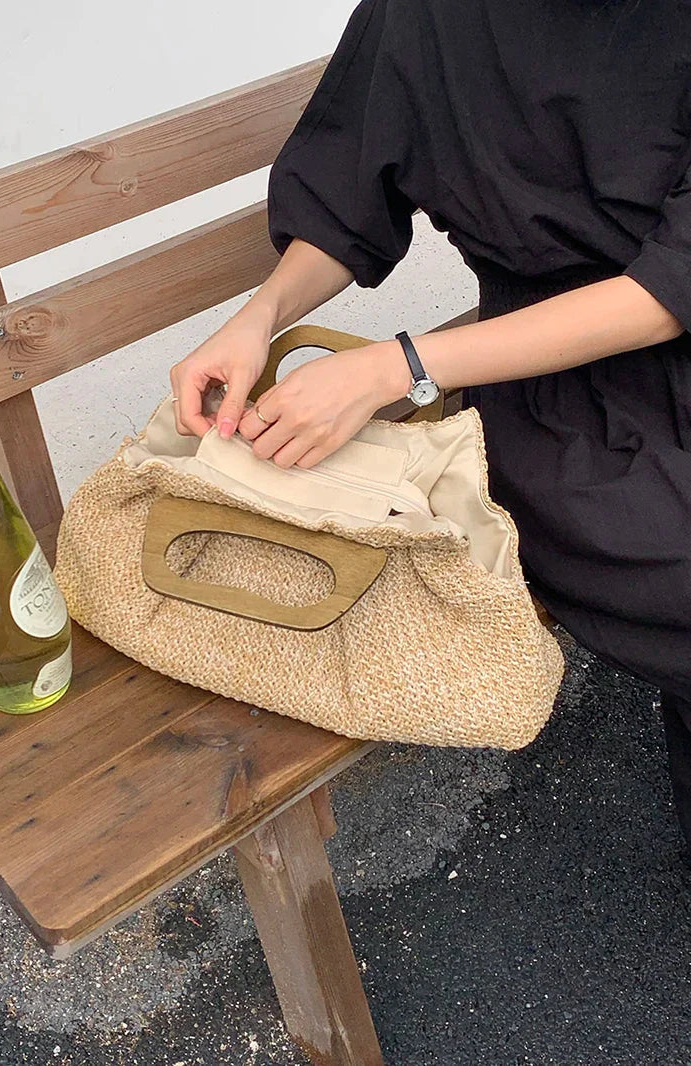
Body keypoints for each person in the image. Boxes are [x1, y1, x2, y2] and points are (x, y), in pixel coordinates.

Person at [169, 0, 691, 856]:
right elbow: (346, 201)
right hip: (554, 397)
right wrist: (258, 317)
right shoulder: (427, 13)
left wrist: (397, 366)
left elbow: (670, 291)